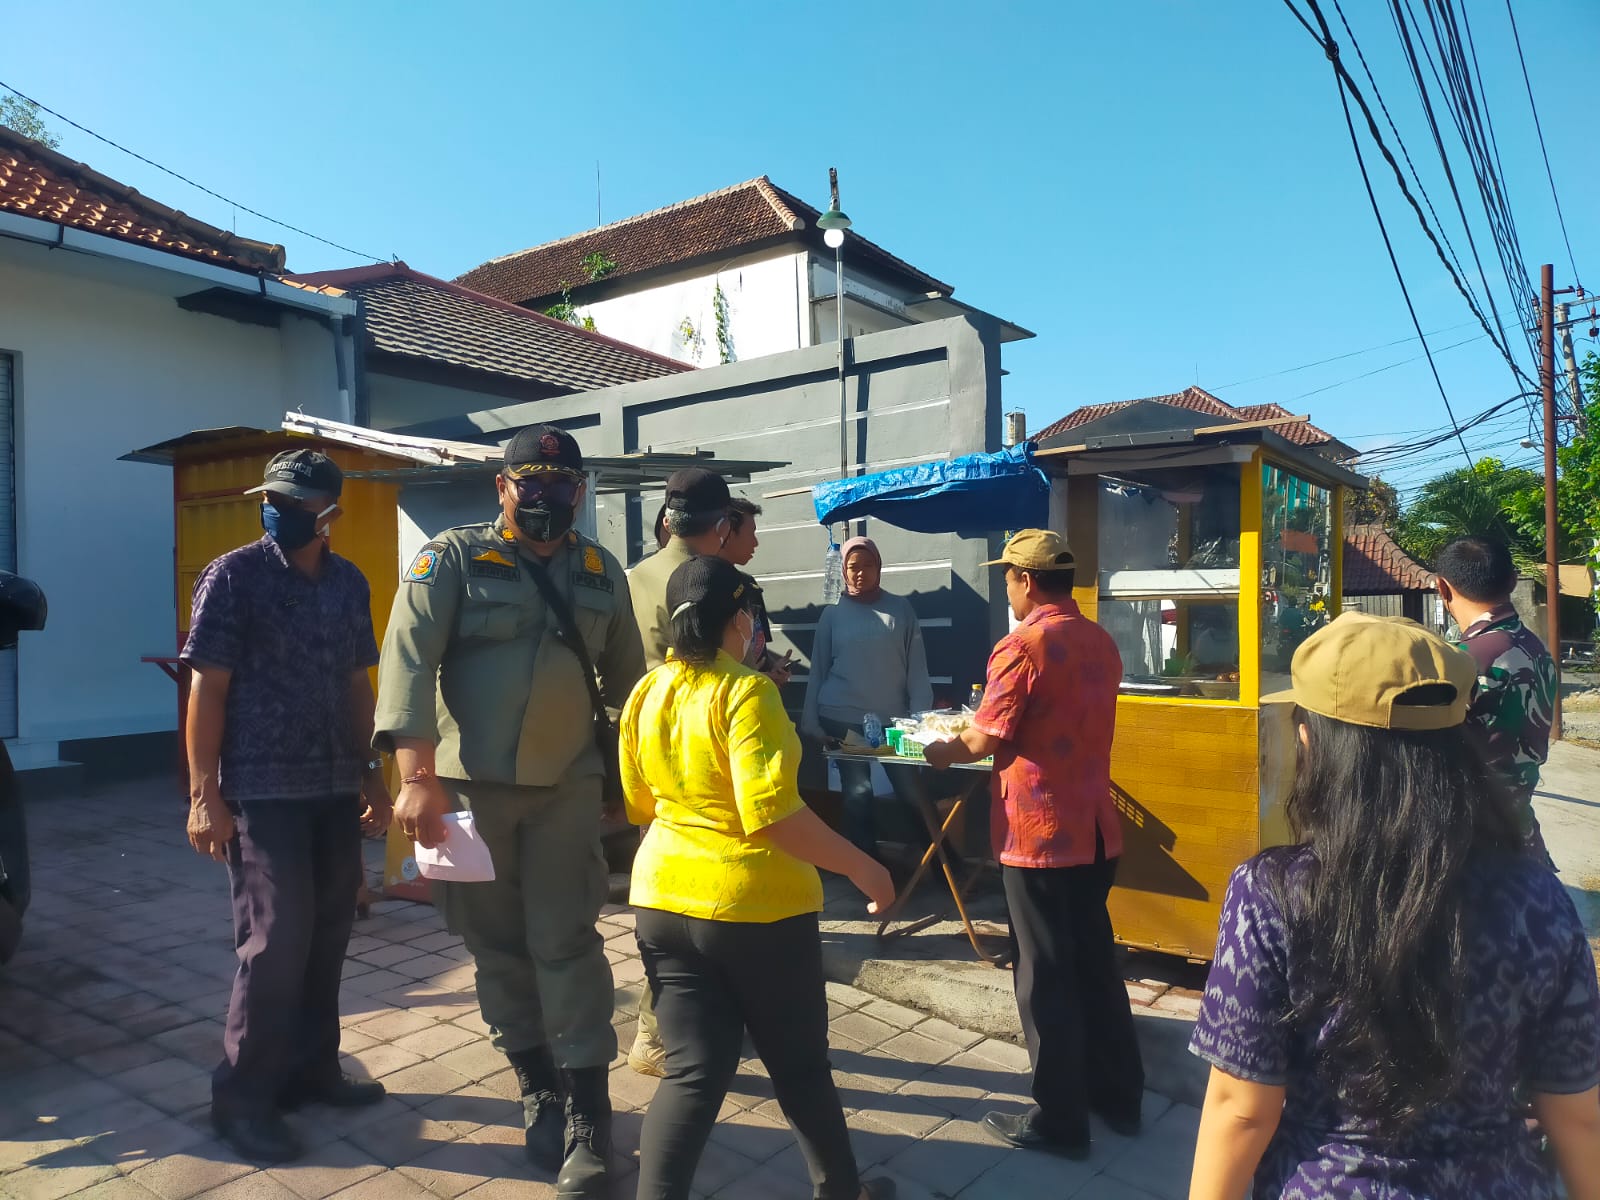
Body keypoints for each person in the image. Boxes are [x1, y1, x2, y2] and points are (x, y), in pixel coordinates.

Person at [1188, 612, 1600, 1199]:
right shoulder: (1539, 901)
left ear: (1312, 740)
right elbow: (1578, 1114)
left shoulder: (1270, 894)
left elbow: (1241, 1110)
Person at [374, 424, 644, 1199]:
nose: (548, 498)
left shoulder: (599, 570)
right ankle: (538, 1089)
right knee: (495, 949)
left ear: (580, 491)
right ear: (503, 487)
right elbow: (409, 659)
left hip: (566, 789)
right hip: (465, 793)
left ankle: (590, 1117)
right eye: (531, 484)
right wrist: (415, 777)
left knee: (568, 944)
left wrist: (637, 787)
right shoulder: (453, 558)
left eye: (562, 485)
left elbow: (631, 687)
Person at [619, 555, 898, 1200]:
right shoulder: (747, 691)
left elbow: (638, 802)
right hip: (755, 909)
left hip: (661, 899)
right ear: (740, 619)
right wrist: (863, 866)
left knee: (690, 1071)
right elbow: (771, 815)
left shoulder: (648, 688)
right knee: (799, 1068)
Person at [183, 449, 392, 1164]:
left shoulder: (348, 583)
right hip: (261, 792)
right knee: (275, 943)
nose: (281, 513)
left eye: (299, 505)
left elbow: (356, 682)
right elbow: (207, 688)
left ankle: (312, 1069)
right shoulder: (234, 577)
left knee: (329, 930)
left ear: (328, 516)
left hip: (334, 785)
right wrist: (203, 793)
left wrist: (373, 775)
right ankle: (242, 1098)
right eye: (274, 499)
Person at [924, 528, 1143, 1157]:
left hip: (1039, 835)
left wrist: (940, 751)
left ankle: (1061, 1121)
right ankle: (1120, 1098)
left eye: (1008, 578)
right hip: (1096, 829)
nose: (1007, 588)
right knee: (1094, 965)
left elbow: (985, 736)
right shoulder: (1100, 641)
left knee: (1044, 977)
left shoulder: (1023, 645)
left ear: (1024, 579)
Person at [624, 466, 736, 1078]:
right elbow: (724, 666)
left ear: (667, 520)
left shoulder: (632, 576)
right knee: (705, 909)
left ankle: (661, 1030)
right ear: (720, 527)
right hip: (705, 756)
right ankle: (664, 1032)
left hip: (646, 754)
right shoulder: (716, 582)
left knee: (659, 906)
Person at [800, 536, 933, 857]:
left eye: (868, 566)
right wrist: (810, 720)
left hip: (893, 721)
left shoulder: (901, 609)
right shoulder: (832, 615)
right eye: (853, 567)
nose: (860, 573)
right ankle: (867, 869)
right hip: (842, 717)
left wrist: (919, 720)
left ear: (880, 567)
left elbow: (917, 668)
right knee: (858, 792)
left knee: (912, 792)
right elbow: (817, 669)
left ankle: (943, 864)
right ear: (843, 572)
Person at [1434, 535, 1558, 859]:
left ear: (1442, 589)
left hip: (1471, 844)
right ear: (1514, 581)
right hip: (1522, 832)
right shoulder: (1536, 649)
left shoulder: (1460, 661)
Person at [717, 497, 792, 687]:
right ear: (728, 533)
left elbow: (760, 651)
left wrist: (774, 672)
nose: (756, 543)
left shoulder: (750, 586)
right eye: (751, 533)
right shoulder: (706, 587)